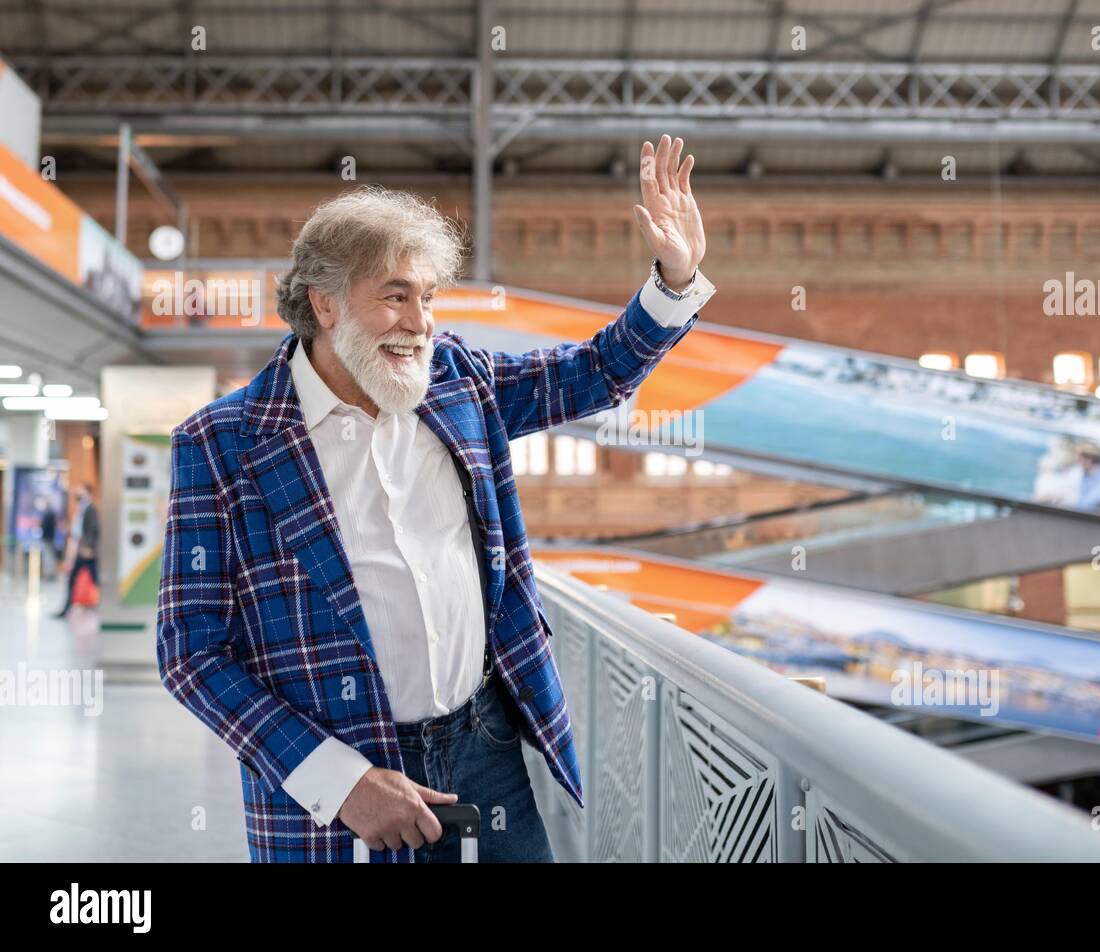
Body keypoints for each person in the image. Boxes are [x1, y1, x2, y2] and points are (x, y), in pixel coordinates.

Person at [156, 135, 715, 862]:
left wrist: (673, 282)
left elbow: (595, 373)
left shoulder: (457, 380)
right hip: (338, 784)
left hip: (485, 744)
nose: (420, 321)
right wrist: (342, 781)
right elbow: (191, 653)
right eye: (394, 296)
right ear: (324, 304)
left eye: (427, 296)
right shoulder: (222, 443)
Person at [54, 484, 98, 618]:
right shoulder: (82, 509)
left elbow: (94, 529)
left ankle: (66, 608)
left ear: (89, 493)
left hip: (85, 551)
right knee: (74, 579)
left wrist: (89, 548)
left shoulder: (91, 509)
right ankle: (66, 608)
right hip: (80, 549)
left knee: (95, 579)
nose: (79, 495)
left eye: (82, 492)